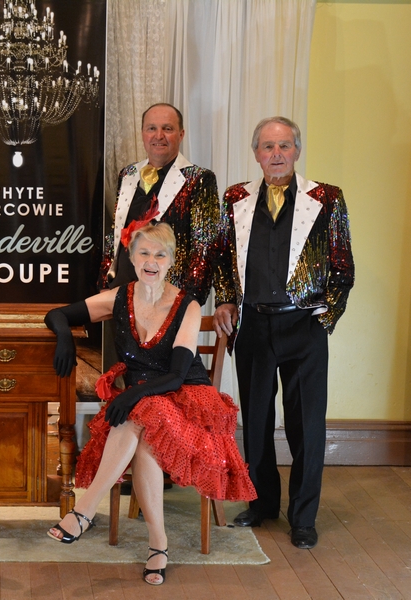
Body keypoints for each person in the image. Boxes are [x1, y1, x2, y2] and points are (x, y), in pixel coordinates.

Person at [45, 220, 256, 586]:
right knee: (145, 428)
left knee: (144, 414)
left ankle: (84, 510)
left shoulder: (188, 305)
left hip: (187, 399)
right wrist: (64, 337)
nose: (151, 261)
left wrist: (130, 394)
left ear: (171, 261)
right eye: (144, 253)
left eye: (160, 254)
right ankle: (158, 543)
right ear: (131, 258)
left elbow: (176, 375)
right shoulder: (118, 298)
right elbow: (57, 314)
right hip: (144, 407)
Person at [213, 116, 355, 550]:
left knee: (306, 426)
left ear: (297, 150)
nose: (276, 154)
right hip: (253, 324)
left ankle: (303, 518)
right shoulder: (235, 197)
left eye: (284, 146)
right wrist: (225, 300)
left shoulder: (326, 198)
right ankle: (261, 505)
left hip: (303, 324)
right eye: (268, 146)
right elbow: (223, 259)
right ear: (256, 153)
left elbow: (343, 266)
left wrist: (323, 319)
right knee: (255, 421)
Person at [98, 103, 219, 305]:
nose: (159, 135)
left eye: (167, 128)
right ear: (143, 134)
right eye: (151, 128)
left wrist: (189, 300)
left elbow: (204, 247)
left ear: (181, 135)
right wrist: (105, 281)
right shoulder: (128, 174)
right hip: (121, 293)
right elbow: (116, 232)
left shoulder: (199, 179)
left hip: (168, 299)